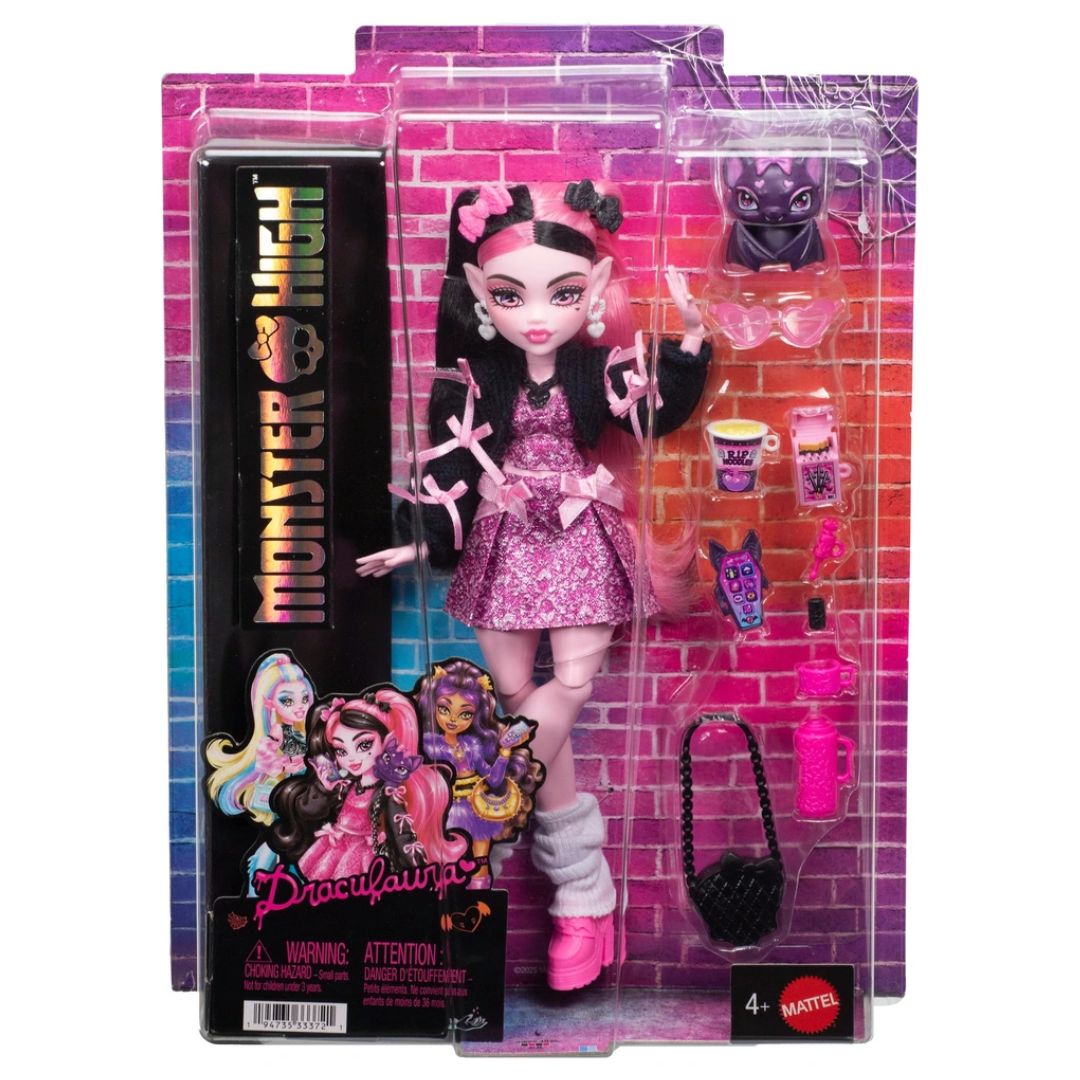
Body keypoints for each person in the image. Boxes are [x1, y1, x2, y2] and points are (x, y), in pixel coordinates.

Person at [357, 180, 709, 990]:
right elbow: (451, 469)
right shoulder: (474, 378)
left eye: (564, 293)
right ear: (481, 292)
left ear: (596, 285)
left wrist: (690, 339)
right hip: (503, 540)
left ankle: (482, 818)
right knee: (519, 696)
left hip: (581, 535)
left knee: (570, 686)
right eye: (512, 295)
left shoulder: (599, 369)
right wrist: (417, 543)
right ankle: (584, 895)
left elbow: (656, 409)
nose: (539, 315)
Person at [268, 689, 466, 881]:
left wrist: (421, 874)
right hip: (334, 849)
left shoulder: (387, 792)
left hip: (366, 857)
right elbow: (311, 811)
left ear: (387, 740)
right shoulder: (345, 784)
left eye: (364, 745)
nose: (352, 758)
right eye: (341, 750)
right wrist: (323, 789)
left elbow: (402, 835)